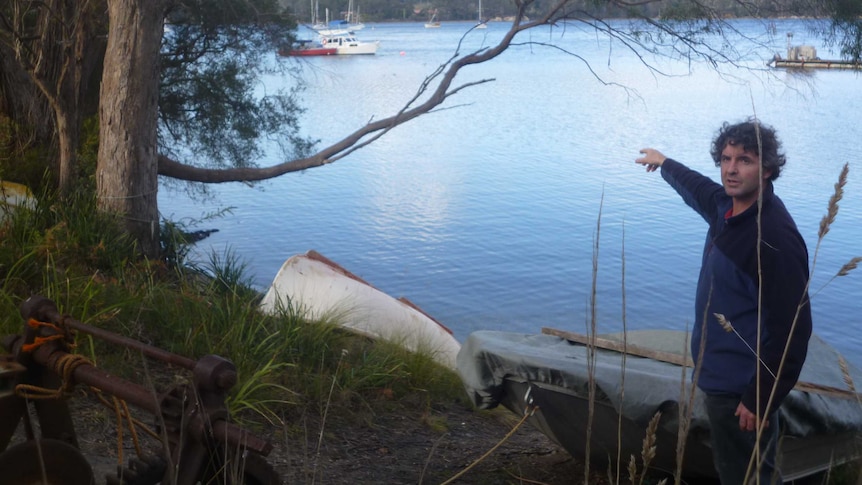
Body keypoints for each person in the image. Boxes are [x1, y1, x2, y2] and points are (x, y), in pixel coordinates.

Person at [635, 120, 812, 484]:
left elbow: (793, 330)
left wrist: (760, 396)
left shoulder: (773, 238)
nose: (731, 169)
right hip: (719, 378)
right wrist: (665, 163)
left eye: (744, 160)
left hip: (741, 389)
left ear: (767, 169)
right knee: (744, 472)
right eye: (726, 158)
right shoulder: (727, 210)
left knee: (746, 477)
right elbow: (698, 189)